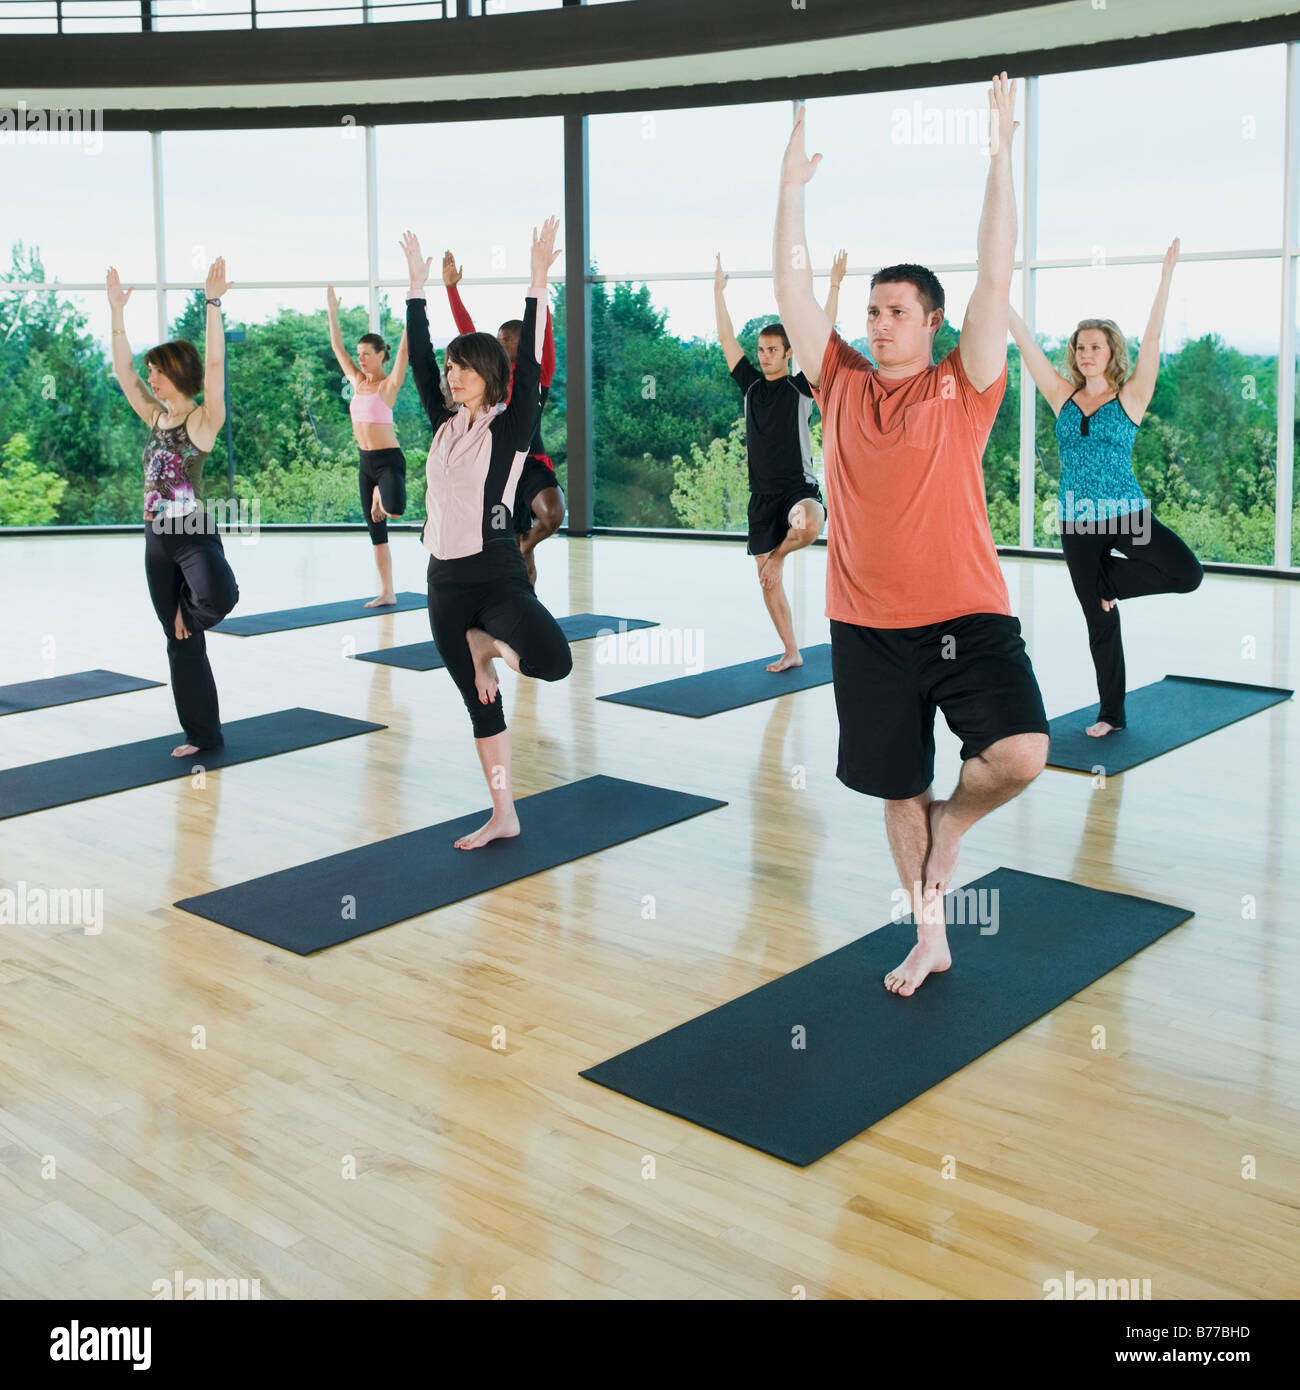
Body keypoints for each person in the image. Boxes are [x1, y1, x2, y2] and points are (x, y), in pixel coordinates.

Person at [773, 80, 1050, 997]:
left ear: (932, 324)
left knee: (1018, 755)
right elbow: (793, 288)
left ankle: (959, 828)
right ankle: (929, 933)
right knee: (899, 791)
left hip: (968, 614)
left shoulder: (964, 386)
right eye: (874, 313)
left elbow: (997, 275)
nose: (877, 324)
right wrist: (791, 188)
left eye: (896, 313)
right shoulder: (842, 382)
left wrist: (1000, 156)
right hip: (865, 624)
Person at [402, 220, 573, 850]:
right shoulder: (444, 425)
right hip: (443, 583)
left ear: (488, 374)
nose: (450, 377)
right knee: (481, 710)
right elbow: (418, 361)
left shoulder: (511, 425)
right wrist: (416, 292)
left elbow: (529, 364)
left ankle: (490, 645)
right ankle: (504, 812)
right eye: (450, 369)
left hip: (495, 574)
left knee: (551, 661)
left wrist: (537, 282)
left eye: (462, 369)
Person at [1009, 239, 1202, 736]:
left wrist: (1165, 279)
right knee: (1100, 624)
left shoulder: (1131, 396)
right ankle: (1111, 715)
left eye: (1096, 346)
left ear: (1112, 351)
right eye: (1080, 347)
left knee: (1186, 573)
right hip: (1076, 522)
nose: (1086, 353)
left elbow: (1154, 341)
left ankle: (1106, 584)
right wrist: (998, 289)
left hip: (1127, 515)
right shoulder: (1062, 395)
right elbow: (1026, 345)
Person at [108, 258, 240, 757]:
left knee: (219, 598)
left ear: (177, 374)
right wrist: (116, 313)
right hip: (155, 541)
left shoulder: (203, 421)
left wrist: (212, 304)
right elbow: (121, 369)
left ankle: (188, 612)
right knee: (180, 643)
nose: (151, 380)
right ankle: (202, 736)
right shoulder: (154, 415)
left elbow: (214, 367)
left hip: (192, 532)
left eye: (158, 372)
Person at [714, 249, 844, 671]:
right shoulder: (751, 386)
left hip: (797, 490)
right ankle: (791, 650)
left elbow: (822, 339)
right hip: (761, 497)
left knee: (809, 523)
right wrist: (718, 293)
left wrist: (835, 286)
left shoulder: (802, 386)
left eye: (773, 350)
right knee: (767, 584)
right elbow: (727, 340)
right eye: (762, 349)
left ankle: (780, 554)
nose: (765, 355)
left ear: (788, 353)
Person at [442, 248, 564, 587]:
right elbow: (467, 333)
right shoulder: (489, 378)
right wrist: (451, 289)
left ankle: (526, 546)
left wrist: (540, 279)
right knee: (513, 552)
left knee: (552, 515)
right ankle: (523, 604)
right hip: (498, 467)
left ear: (525, 344)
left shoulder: (537, 375)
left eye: (507, 341)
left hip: (533, 462)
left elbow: (545, 330)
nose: (500, 345)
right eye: (497, 341)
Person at [326, 288, 410, 607]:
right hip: (366, 463)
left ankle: (380, 495)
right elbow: (336, 347)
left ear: (380, 355)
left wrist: (413, 312)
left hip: (389, 461)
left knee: (396, 511)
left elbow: (404, 353)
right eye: (358, 353)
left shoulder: (388, 387)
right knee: (376, 533)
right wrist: (332, 310)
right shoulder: (358, 382)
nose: (360, 358)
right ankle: (387, 591)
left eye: (366, 354)